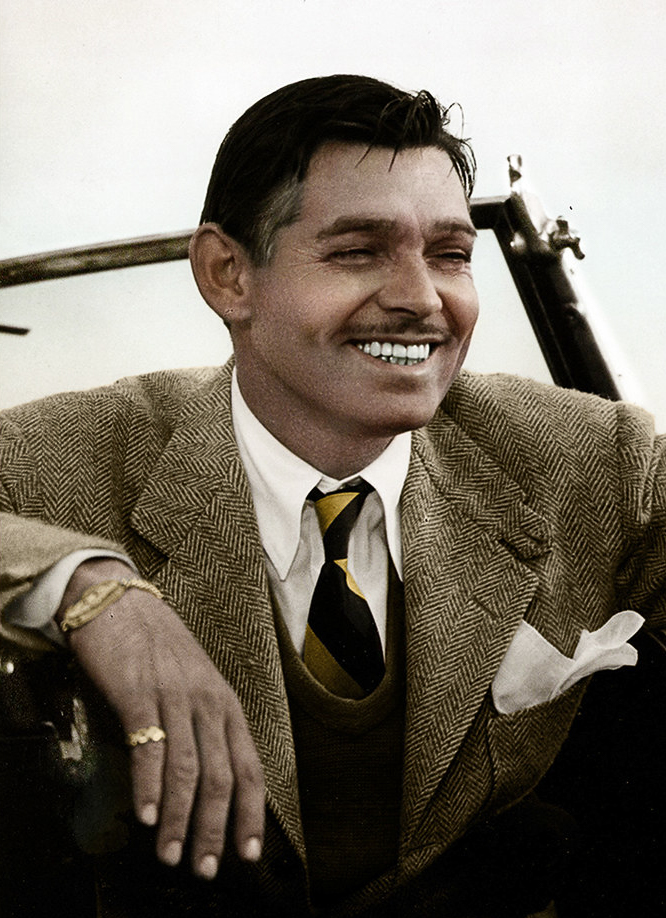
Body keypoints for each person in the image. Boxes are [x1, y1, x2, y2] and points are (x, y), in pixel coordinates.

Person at [0, 74, 664, 917]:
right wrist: (96, 591)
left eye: (451, 254)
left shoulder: (588, 458)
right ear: (227, 275)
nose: (423, 299)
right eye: (358, 250)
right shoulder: (61, 459)